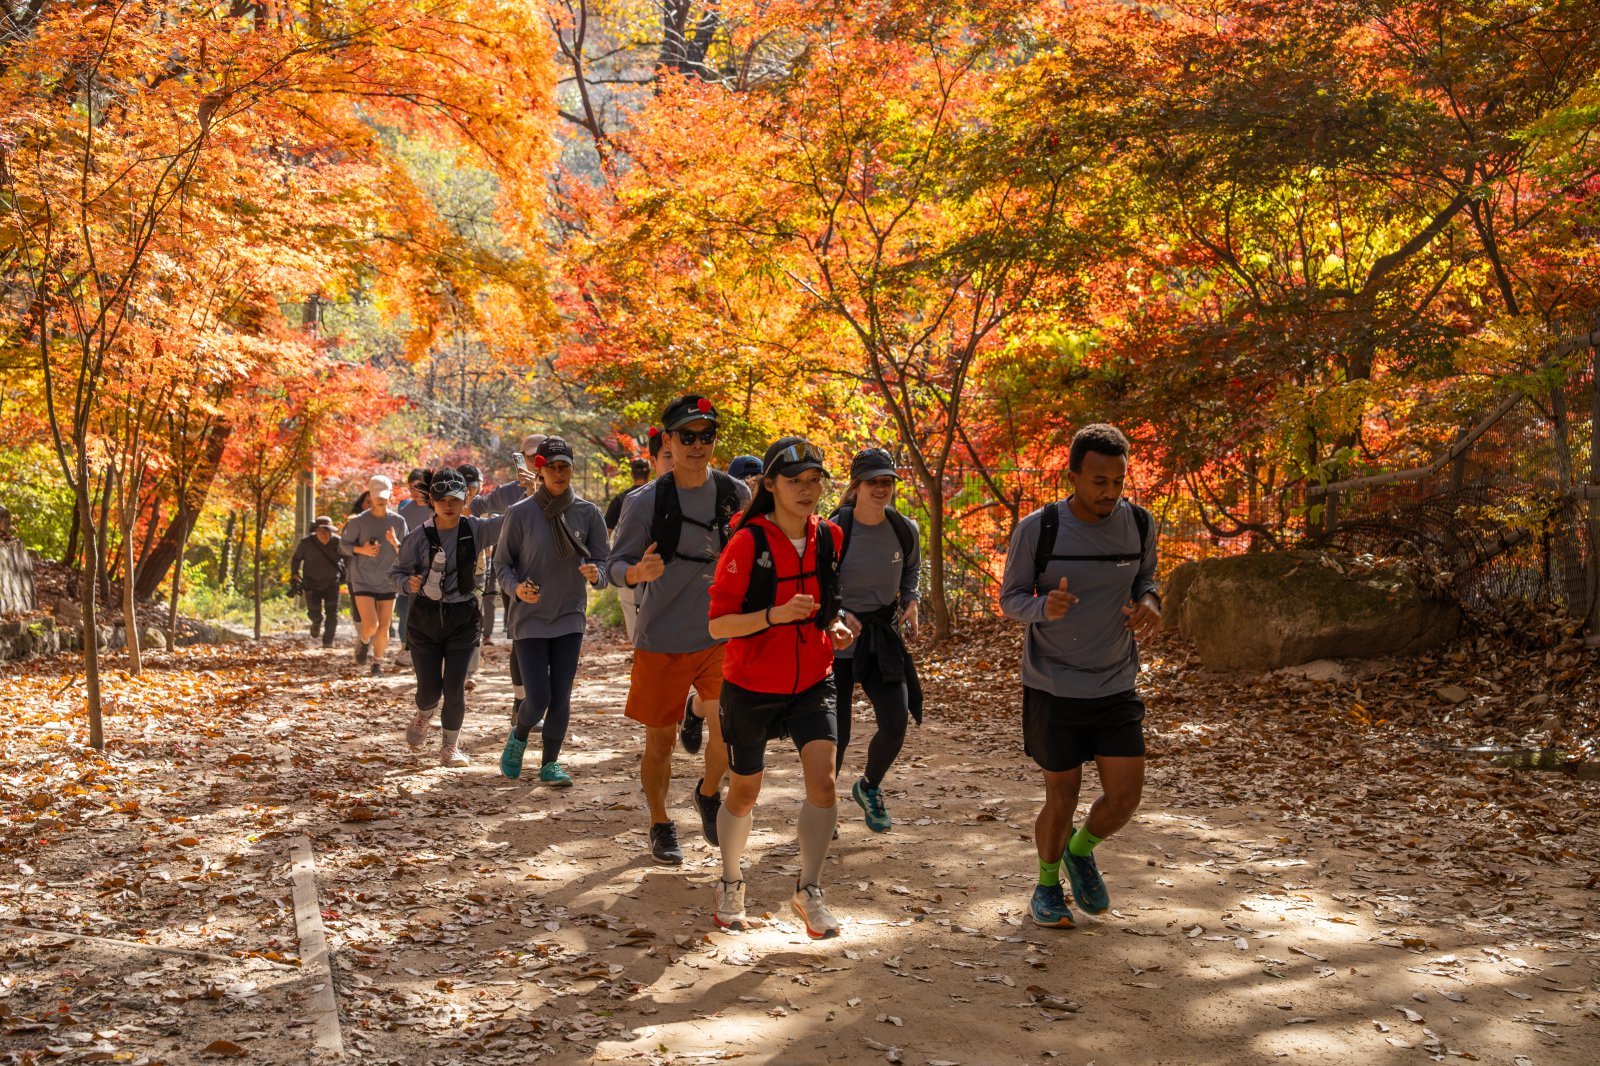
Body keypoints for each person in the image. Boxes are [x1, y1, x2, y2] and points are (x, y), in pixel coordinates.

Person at [999, 424, 1161, 929]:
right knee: (1061, 797)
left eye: (1117, 481)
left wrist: (1151, 604)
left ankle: (1079, 850)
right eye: (1098, 482)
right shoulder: (1039, 529)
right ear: (1073, 476)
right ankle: (1047, 885)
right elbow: (1011, 600)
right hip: (1053, 686)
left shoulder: (1138, 523)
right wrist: (1045, 606)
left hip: (1115, 681)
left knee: (1124, 799)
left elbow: (1146, 579)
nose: (1109, 493)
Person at [706, 436, 854, 938]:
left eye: (815, 480)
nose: (808, 490)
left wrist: (833, 626)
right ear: (770, 485)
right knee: (745, 791)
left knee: (825, 783)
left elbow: (828, 602)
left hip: (814, 678)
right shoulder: (746, 542)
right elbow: (718, 626)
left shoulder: (829, 536)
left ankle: (808, 890)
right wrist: (772, 615)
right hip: (750, 684)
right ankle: (730, 881)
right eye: (795, 481)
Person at [606, 395, 747, 864]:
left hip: (720, 635)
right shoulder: (645, 501)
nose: (697, 445)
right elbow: (615, 565)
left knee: (729, 731)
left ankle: (708, 793)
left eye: (706, 436)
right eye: (686, 436)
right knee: (660, 742)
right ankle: (660, 823)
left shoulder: (734, 495)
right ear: (668, 440)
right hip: (662, 638)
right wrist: (635, 574)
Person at [496, 437, 610, 785]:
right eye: (552, 468)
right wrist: (516, 589)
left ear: (572, 469)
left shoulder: (588, 513)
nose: (559, 474)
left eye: (565, 467)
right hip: (529, 618)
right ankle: (519, 731)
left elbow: (602, 560)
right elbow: (501, 564)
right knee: (539, 696)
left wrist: (597, 574)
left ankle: (550, 765)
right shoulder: (520, 513)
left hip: (569, 615)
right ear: (539, 470)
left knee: (560, 694)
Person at [832, 448, 922, 832]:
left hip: (881, 638)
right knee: (835, 733)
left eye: (887, 481)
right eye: (873, 481)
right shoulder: (833, 529)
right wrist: (836, 615)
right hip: (835, 643)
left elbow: (912, 571)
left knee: (895, 720)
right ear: (857, 485)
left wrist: (912, 600)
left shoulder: (905, 529)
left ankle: (868, 787)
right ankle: (822, 804)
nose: (880, 488)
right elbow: (816, 583)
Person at [391, 468, 504, 766]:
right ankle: (423, 714)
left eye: (454, 498)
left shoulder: (477, 529)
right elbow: (397, 572)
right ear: (432, 500)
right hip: (425, 618)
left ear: (466, 498)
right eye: (441, 499)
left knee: (455, 687)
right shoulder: (418, 537)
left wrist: (534, 490)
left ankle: (449, 748)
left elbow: (516, 520)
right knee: (429, 690)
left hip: (463, 616)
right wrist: (408, 583)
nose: (448, 505)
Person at [340, 476, 409, 675]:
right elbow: (343, 546)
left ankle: (377, 663)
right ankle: (363, 641)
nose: (380, 500)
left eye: (384, 497)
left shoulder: (398, 521)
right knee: (371, 625)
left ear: (390, 496)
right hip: (363, 579)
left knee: (384, 627)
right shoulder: (359, 521)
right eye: (377, 496)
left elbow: (407, 552)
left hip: (388, 580)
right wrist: (362, 550)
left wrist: (395, 542)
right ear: (369, 495)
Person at [615, 432, 673, 644]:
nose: (676, 462)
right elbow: (614, 545)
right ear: (653, 462)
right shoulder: (632, 500)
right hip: (642, 591)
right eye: (668, 456)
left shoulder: (710, 497)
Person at [290, 516, 345, 648]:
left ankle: (327, 642)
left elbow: (348, 560)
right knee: (313, 612)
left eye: (329, 530)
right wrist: (294, 574)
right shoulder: (306, 543)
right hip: (311, 583)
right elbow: (296, 559)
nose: (326, 534)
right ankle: (317, 621)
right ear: (316, 530)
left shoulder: (339, 543)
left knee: (332, 613)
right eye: (322, 531)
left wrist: (349, 577)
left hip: (332, 582)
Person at [393, 470, 431, 651]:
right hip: (409, 565)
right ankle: (405, 646)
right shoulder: (404, 512)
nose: (415, 491)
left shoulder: (437, 507)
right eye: (411, 488)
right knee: (404, 608)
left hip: (432, 565)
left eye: (418, 487)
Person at [606, 458, 653, 531]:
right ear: (649, 474)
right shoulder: (657, 497)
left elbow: (606, 534)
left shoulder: (620, 499)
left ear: (632, 475)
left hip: (625, 542)